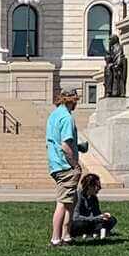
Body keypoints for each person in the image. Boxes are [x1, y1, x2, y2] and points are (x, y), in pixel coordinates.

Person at [46, 88, 87, 246]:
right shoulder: (66, 117)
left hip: (56, 163)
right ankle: (56, 238)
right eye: (76, 100)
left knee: (71, 200)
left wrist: (79, 147)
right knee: (63, 202)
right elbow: (65, 145)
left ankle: (66, 235)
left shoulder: (54, 115)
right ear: (72, 100)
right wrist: (75, 165)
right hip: (65, 165)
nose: (77, 103)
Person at [69, 172, 117, 241]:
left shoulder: (93, 198)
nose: (99, 189)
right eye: (97, 186)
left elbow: (96, 213)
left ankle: (95, 232)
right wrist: (96, 218)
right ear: (89, 186)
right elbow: (76, 217)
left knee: (112, 220)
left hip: (91, 221)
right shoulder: (78, 196)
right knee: (82, 224)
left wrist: (103, 216)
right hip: (79, 222)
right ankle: (94, 232)